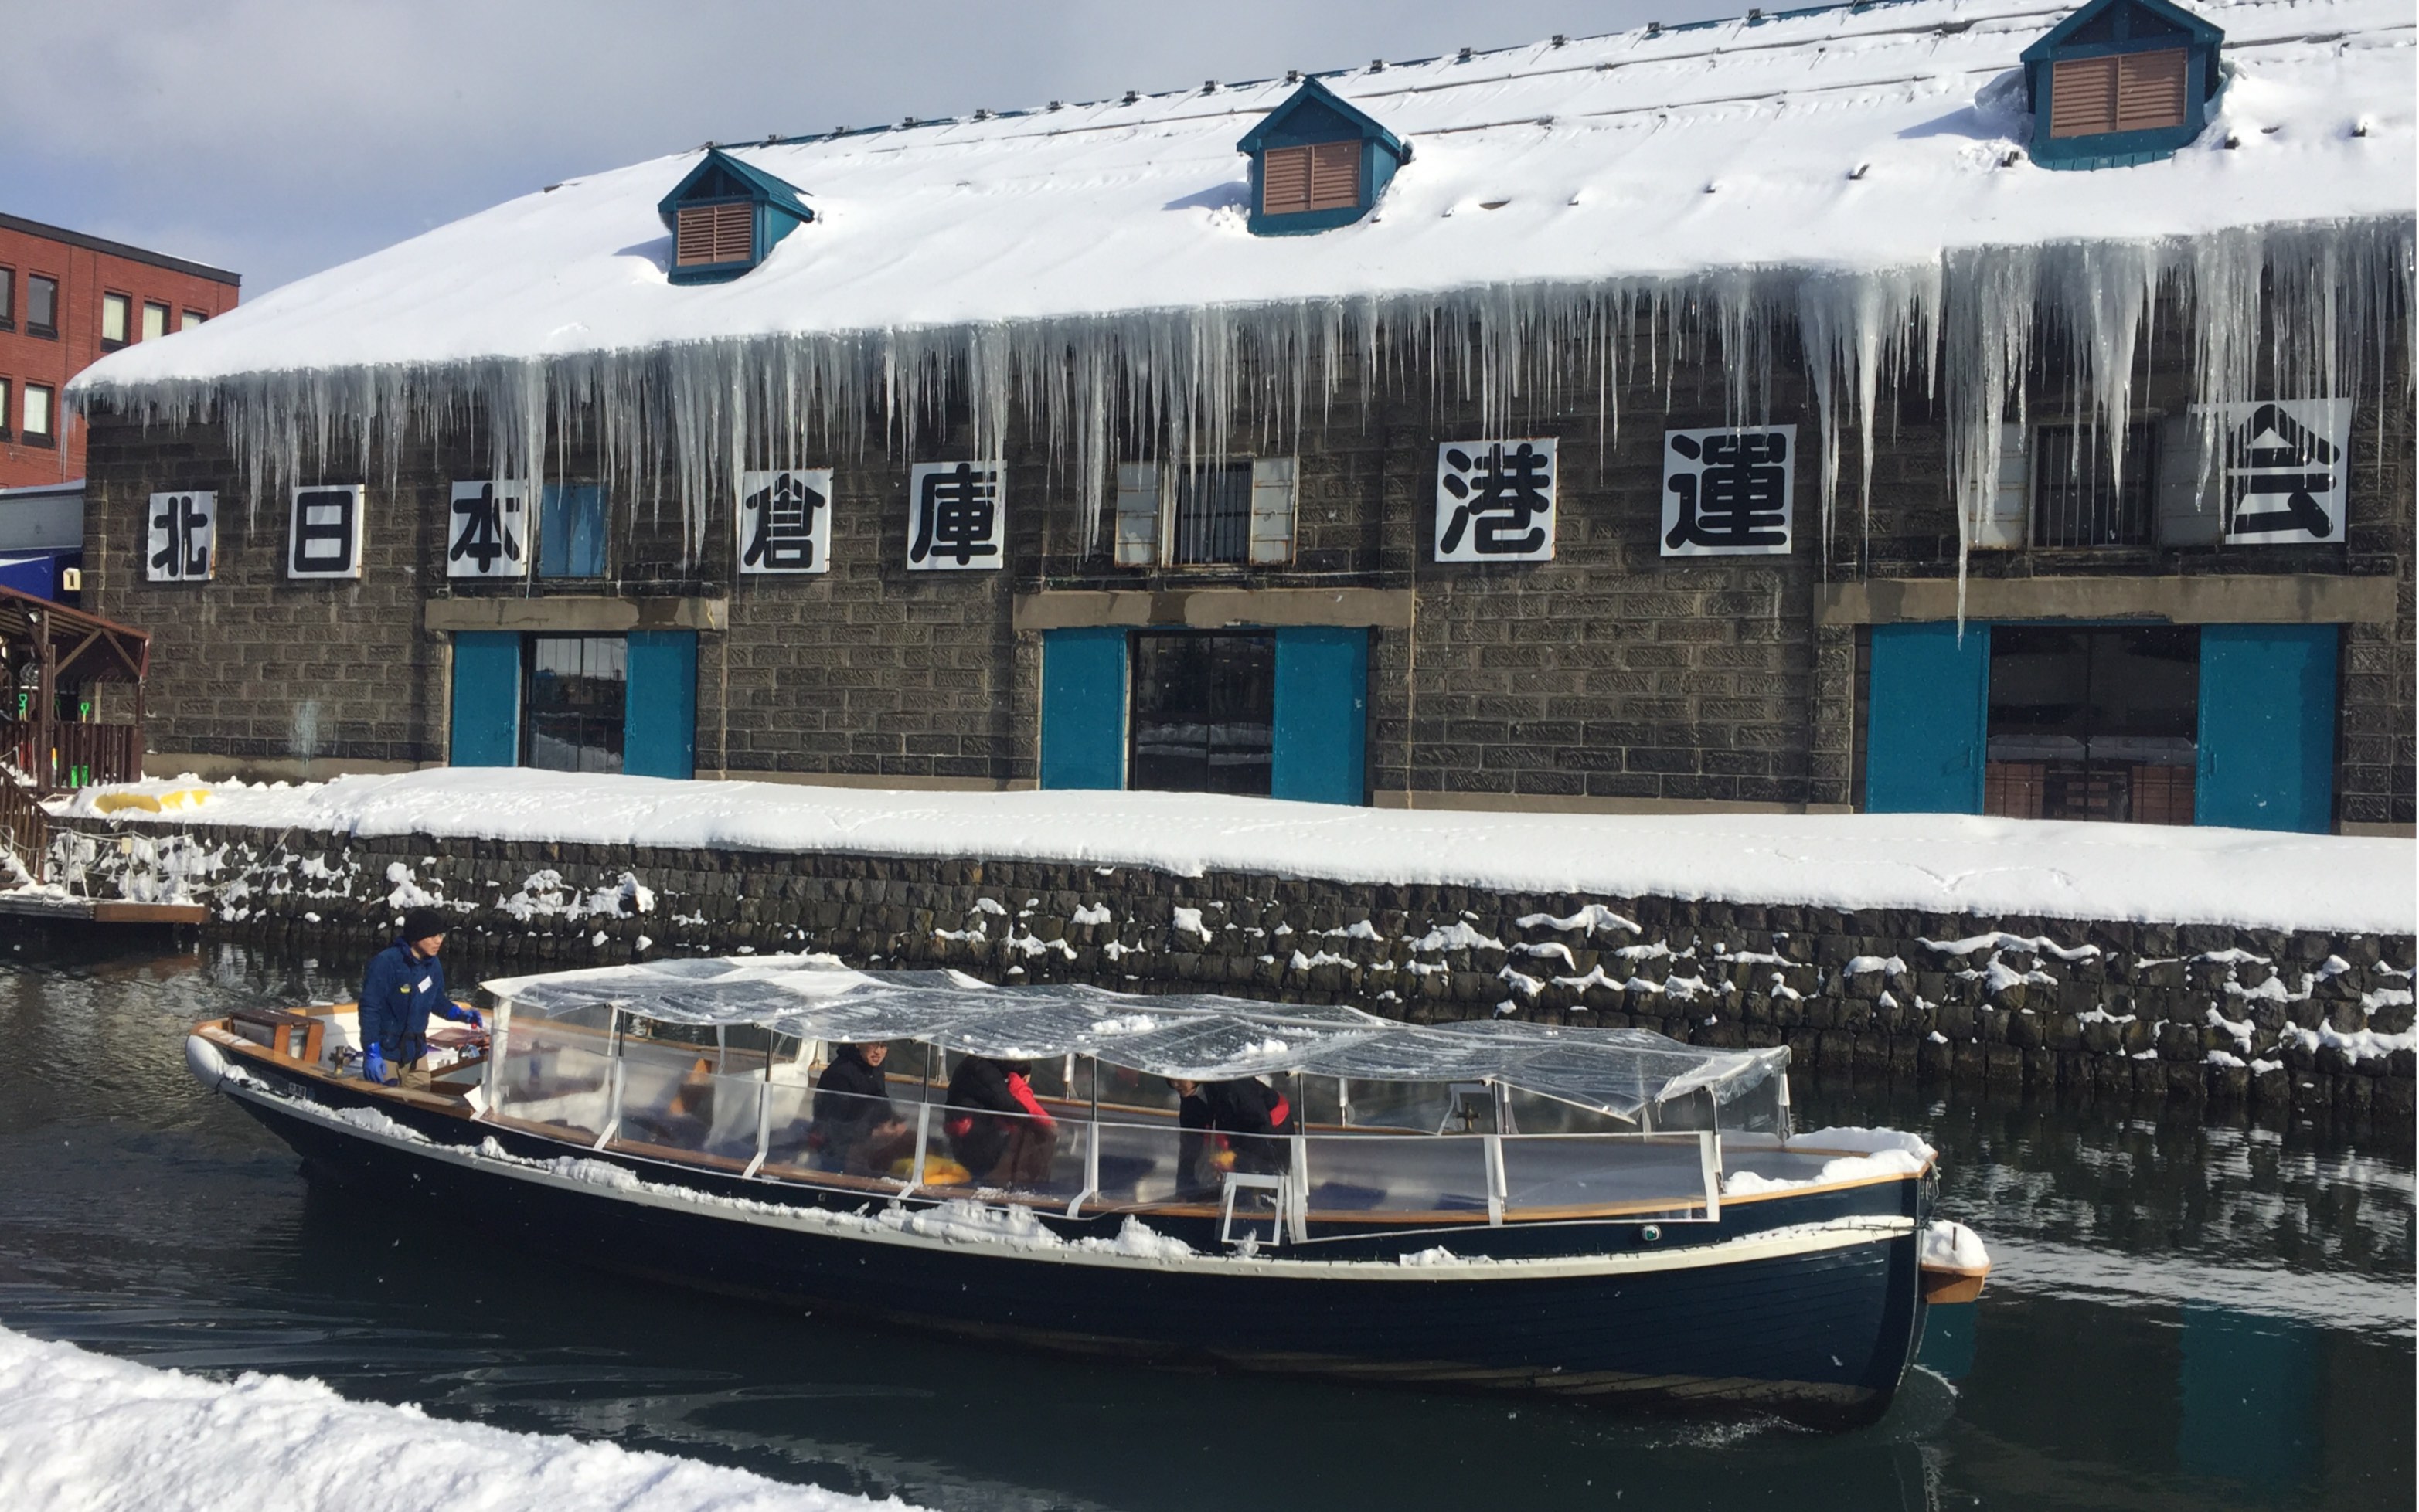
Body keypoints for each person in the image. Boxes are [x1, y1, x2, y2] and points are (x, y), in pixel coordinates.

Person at [358, 906, 483, 1088]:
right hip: (386, 1053)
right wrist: (371, 1051)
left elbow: (436, 1000)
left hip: (416, 1053)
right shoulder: (386, 963)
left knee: (422, 1099)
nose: (439, 941)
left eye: (441, 936)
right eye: (433, 936)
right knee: (385, 1105)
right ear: (416, 937)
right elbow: (370, 1009)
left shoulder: (433, 965)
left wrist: (460, 1014)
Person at [944, 1055, 1056, 1186]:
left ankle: (1001, 1179)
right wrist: (1031, 1123)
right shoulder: (984, 1070)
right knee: (1024, 1136)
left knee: (1018, 1134)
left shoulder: (979, 1066)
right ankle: (1012, 1182)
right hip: (972, 1135)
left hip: (967, 1129)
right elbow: (1007, 1104)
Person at [1173, 1075, 1293, 1194]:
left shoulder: (1232, 1085)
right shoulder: (1190, 1096)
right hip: (1241, 1131)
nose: (1175, 1084)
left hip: (1273, 1130)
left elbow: (1259, 1126)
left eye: (1179, 1078)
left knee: (1259, 1185)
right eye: (1169, 1079)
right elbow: (1189, 1142)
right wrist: (1183, 1189)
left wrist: (1244, 1167)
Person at [811, 1042, 915, 1174]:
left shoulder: (874, 1067)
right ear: (859, 1043)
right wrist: (874, 1133)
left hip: (866, 1151)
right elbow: (833, 1127)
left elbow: (879, 1100)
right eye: (874, 1045)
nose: (878, 1052)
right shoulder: (839, 1075)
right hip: (837, 1156)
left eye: (883, 1046)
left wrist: (894, 1121)